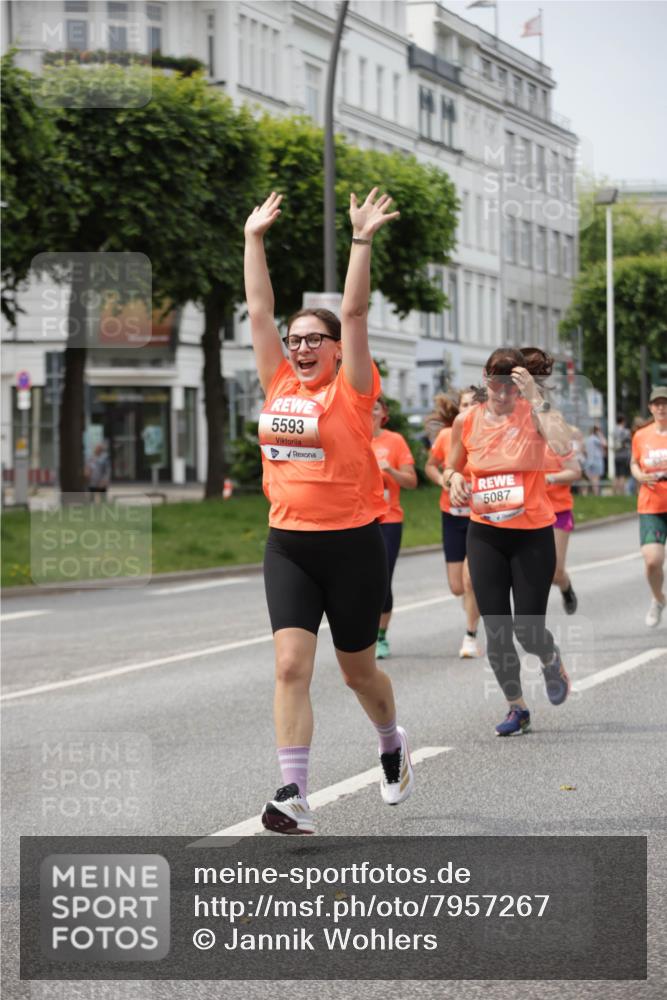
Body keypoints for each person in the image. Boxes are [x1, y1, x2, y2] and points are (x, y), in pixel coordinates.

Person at [244, 188, 414, 835]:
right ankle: (294, 793)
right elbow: (258, 309)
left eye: (314, 339)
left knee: (358, 673)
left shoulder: (353, 390)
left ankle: (391, 741)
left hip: (351, 545)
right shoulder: (278, 381)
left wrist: (362, 239)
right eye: (295, 340)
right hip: (288, 543)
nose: (300, 347)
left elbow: (354, 307)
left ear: (338, 347)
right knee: (289, 665)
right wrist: (252, 238)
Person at [443, 347, 572, 737]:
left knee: (528, 630)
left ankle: (550, 658)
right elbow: (450, 466)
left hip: (532, 534)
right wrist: (455, 480)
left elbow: (564, 447)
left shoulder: (534, 413)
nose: (502, 395)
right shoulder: (466, 421)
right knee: (496, 627)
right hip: (485, 535)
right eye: (496, 386)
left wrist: (535, 396)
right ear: (486, 380)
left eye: (511, 387)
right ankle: (517, 707)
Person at [519, 347, 581, 615]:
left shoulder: (555, 428)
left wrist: (551, 478)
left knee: (555, 572)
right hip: (527, 509)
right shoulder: (517, 429)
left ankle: (566, 586)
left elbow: (574, 470)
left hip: (557, 509)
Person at [424, 387, 482, 658]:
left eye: (473, 404)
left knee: (471, 581)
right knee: (457, 586)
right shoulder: (448, 435)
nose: (467, 409)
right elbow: (431, 465)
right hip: (451, 514)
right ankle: (473, 609)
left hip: (479, 516)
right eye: (463, 405)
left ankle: (470, 636)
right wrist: (443, 481)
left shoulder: (487, 434)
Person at [370, 397, 417, 659]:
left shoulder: (394, 441)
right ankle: (361, 635)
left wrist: (390, 471)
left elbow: (411, 482)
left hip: (388, 519)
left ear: (384, 413)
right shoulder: (351, 437)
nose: (370, 411)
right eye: (367, 406)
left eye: (376, 407)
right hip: (357, 520)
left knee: (382, 579)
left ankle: (381, 636)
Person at [630, 386, 667, 627]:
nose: (661, 407)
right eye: (657, 403)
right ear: (651, 407)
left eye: (665, 403)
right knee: (652, 560)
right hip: (651, 504)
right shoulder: (641, 436)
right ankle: (658, 599)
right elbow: (634, 463)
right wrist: (638, 475)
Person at [583, 425, 606, 495]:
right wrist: (601, 435)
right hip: (597, 461)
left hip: (589, 460)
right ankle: (596, 494)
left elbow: (584, 451)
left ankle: (585, 494)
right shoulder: (595, 439)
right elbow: (605, 444)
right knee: (596, 479)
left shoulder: (587, 439)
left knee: (588, 479)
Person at [613, 415, 632, 495]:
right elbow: (628, 441)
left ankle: (614, 492)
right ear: (623, 421)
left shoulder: (614, 431)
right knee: (622, 475)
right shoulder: (626, 431)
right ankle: (621, 492)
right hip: (624, 455)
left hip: (616, 454)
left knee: (616, 475)